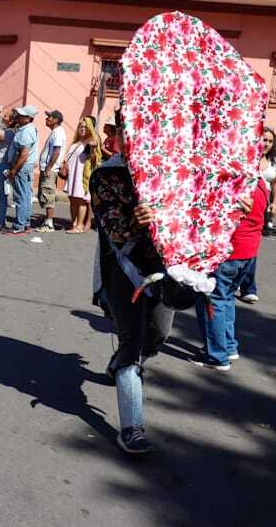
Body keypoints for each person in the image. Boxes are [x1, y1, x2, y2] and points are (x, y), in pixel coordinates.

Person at [90, 126, 173, 454]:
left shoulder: (169, 171)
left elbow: (187, 216)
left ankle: (118, 363)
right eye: (131, 132)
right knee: (133, 344)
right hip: (123, 271)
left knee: (159, 334)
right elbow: (116, 229)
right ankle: (132, 427)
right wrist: (141, 219)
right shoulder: (105, 175)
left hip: (163, 268)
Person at [191, 172, 269, 371]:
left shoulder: (236, 182)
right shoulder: (259, 182)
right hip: (247, 252)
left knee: (212, 299)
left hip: (230, 251)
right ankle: (228, 346)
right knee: (225, 299)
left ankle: (217, 355)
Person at [237, 126, 276, 303]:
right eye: (263, 139)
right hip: (243, 208)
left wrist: (274, 203)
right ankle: (239, 280)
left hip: (261, 210)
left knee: (252, 248)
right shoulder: (246, 158)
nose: (266, 143)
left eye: (269, 140)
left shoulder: (272, 162)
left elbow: (274, 184)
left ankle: (247, 286)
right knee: (240, 245)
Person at [5, 105, 39, 234]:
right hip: (24, 166)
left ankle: (19, 225)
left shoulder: (26, 131)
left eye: (22, 115)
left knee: (21, 196)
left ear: (28, 118)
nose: (18, 117)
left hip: (22, 167)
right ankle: (25, 223)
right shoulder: (25, 129)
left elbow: (24, 153)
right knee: (25, 195)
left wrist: (14, 170)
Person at [65, 116, 102, 234]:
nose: (83, 129)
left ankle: (80, 225)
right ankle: (74, 223)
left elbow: (94, 159)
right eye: (81, 126)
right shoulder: (75, 142)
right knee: (72, 199)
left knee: (81, 200)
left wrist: (92, 149)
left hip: (82, 175)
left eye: (85, 127)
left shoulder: (91, 141)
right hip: (72, 174)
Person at [35, 110, 67, 232]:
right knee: (45, 194)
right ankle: (47, 221)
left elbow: (56, 151)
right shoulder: (55, 132)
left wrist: (49, 167)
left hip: (50, 169)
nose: (47, 119)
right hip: (47, 168)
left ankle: (49, 223)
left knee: (48, 195)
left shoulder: (58, 133)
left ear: (56, 120)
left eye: (50, 117)